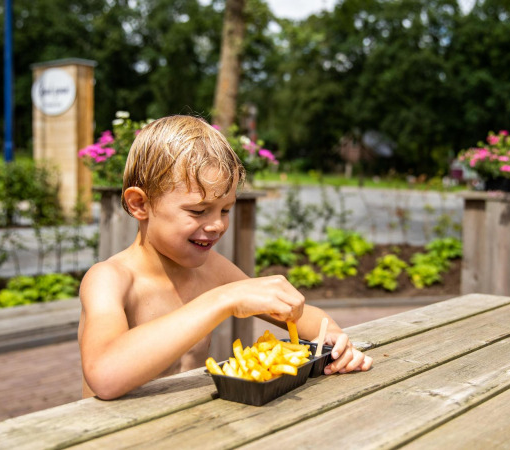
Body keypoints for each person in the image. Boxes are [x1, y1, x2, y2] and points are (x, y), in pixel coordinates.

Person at [78, 115, 372, 400]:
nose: (217, 224)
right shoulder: (110, 279)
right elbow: (104, 375)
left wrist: (334, 340)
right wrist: (222, 299)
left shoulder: (211, 270)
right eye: (197, 210)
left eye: (225, 209)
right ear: (139, 204)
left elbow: (306, 317)